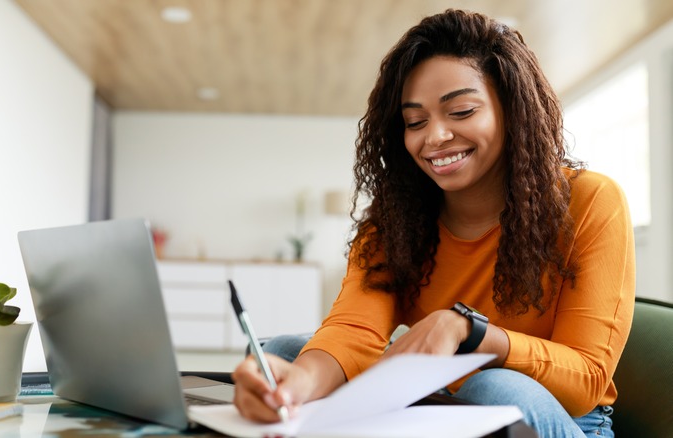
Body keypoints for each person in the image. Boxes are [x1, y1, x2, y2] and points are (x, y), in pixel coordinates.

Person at [232, 9, 635, 438]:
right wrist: (296, 387)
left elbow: (587, 381)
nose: (435, 137)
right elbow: (354, 328)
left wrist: (469, 330)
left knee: (495, 387)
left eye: (460, 111)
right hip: (440, 404)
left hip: (560, 417)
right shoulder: (396, 219)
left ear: (512, 110)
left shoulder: (591, 201)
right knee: (286, 354)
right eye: (415, 121)